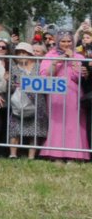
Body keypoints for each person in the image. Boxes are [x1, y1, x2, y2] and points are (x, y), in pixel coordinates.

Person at [38, 31, 90, 162]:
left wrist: (73, 60)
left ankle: (74, 155)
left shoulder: (79, 56)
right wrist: (58, 61)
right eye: (63, 41)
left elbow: (78, 77)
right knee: (57, 124)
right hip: (56, 96)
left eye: (69, 41)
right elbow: (45, 75)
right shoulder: (50, 55)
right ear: (57, 42)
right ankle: (56, 155)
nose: (66, 44)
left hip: (74, 95)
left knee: (74, 124)